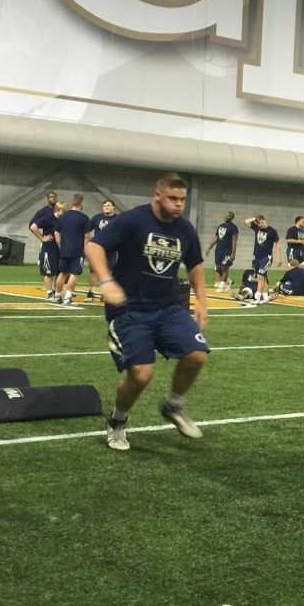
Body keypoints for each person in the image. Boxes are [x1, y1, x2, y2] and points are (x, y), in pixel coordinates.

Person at [86, 173, 209, 451]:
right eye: (173, 199)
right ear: (158, 196)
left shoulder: (185, 229)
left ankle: (173, 404)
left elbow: (195, 264)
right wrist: (106, 281)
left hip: (168, 307)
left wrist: (202, 301)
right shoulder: (133, 220)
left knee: (196, 354)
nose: (178, 205)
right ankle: (117, 420)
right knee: (141, 376)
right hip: (129, 310)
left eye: (182, 199)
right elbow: (94, 246)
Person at [53, 194, 93, 304]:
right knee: (74, 273)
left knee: (62, 273)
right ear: (81, 205)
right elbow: (87, 236)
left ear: (72, 203)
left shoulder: (63, 216)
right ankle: (68, 297)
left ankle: (57, 295)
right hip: (77, 250)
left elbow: (56, 233)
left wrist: (60, 245)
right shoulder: (84, 218)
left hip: (64, 249)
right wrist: (87, 250)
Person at [29, 191, 60, 300]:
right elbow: (32, 225)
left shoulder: (60, 214)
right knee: (48, 270)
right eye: (51, 197)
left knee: (59, 270)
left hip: (59, 246)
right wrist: (42, 238)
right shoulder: (44, 212)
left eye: (55, 197)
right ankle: (49, 292)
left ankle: (58, 290)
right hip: (49, 245)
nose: (53, 198)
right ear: (47, 199)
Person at [85, 199, 118, 301]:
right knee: (93, 272)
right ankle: (91, 292)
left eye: (108, 206)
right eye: (104, 206)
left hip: (111, 250)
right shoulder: (97, 217)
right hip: (97, 249)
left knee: (108, 272)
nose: (106, 208)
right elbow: (87, 231)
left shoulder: (118, 219)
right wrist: (89, 243)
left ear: (113, 207)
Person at [244, 215, 281, 304]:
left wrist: (279, 257)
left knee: (260, 276)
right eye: (258, 223)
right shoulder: (257, 228)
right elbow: (246, 221)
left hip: (267, 257)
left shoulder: (272, 231)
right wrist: (255, 219)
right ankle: (265, 297)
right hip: (257, 257)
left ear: (264, 220)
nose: (260, 225)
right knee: (262, 278)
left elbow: (277, 244)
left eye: (261, 222)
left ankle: (257, 297)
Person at [204, 212, 239, 293]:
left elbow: (234, 240)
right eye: (226, 215)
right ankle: (229, 281)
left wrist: (233, 253)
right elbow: (216, 238)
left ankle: (222, 286)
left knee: (224, 268)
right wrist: (209, 248)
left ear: (231, 218)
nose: (227, 216)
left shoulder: (234, 228)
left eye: (229, 216)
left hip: (227, 251)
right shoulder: (221, 226)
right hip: (219, 250)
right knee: (218, 268)